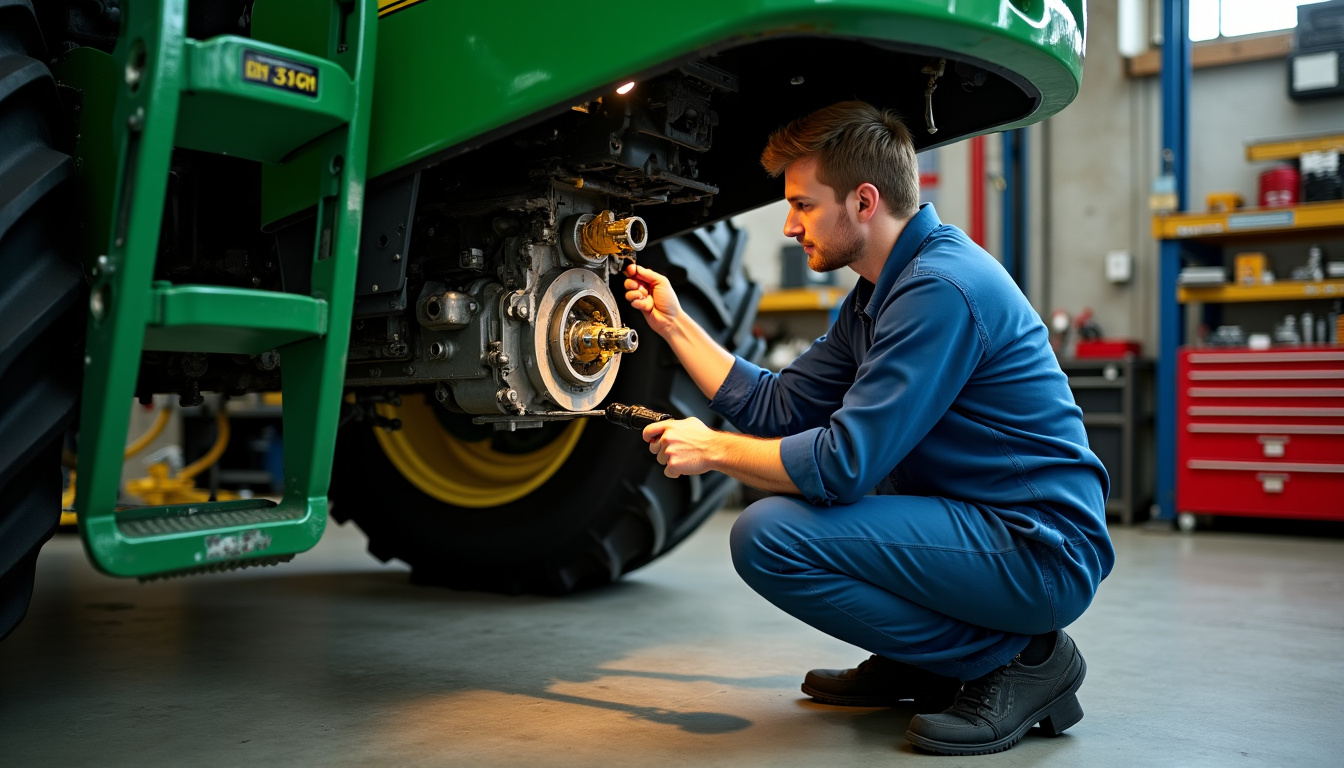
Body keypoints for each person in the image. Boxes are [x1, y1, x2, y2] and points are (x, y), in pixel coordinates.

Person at [622, 101, 1115, 756]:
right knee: (796, 516)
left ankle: (1023, 660)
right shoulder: (876, 296)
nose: (790, 226)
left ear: (863, 201)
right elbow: (776, 405)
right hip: (977, 523)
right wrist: (673, 323)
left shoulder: (940, 288)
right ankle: (924, 660)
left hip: (1039, 548)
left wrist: (713, 449)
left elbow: (842, 465)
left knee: (770, 537)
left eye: (802, 205)